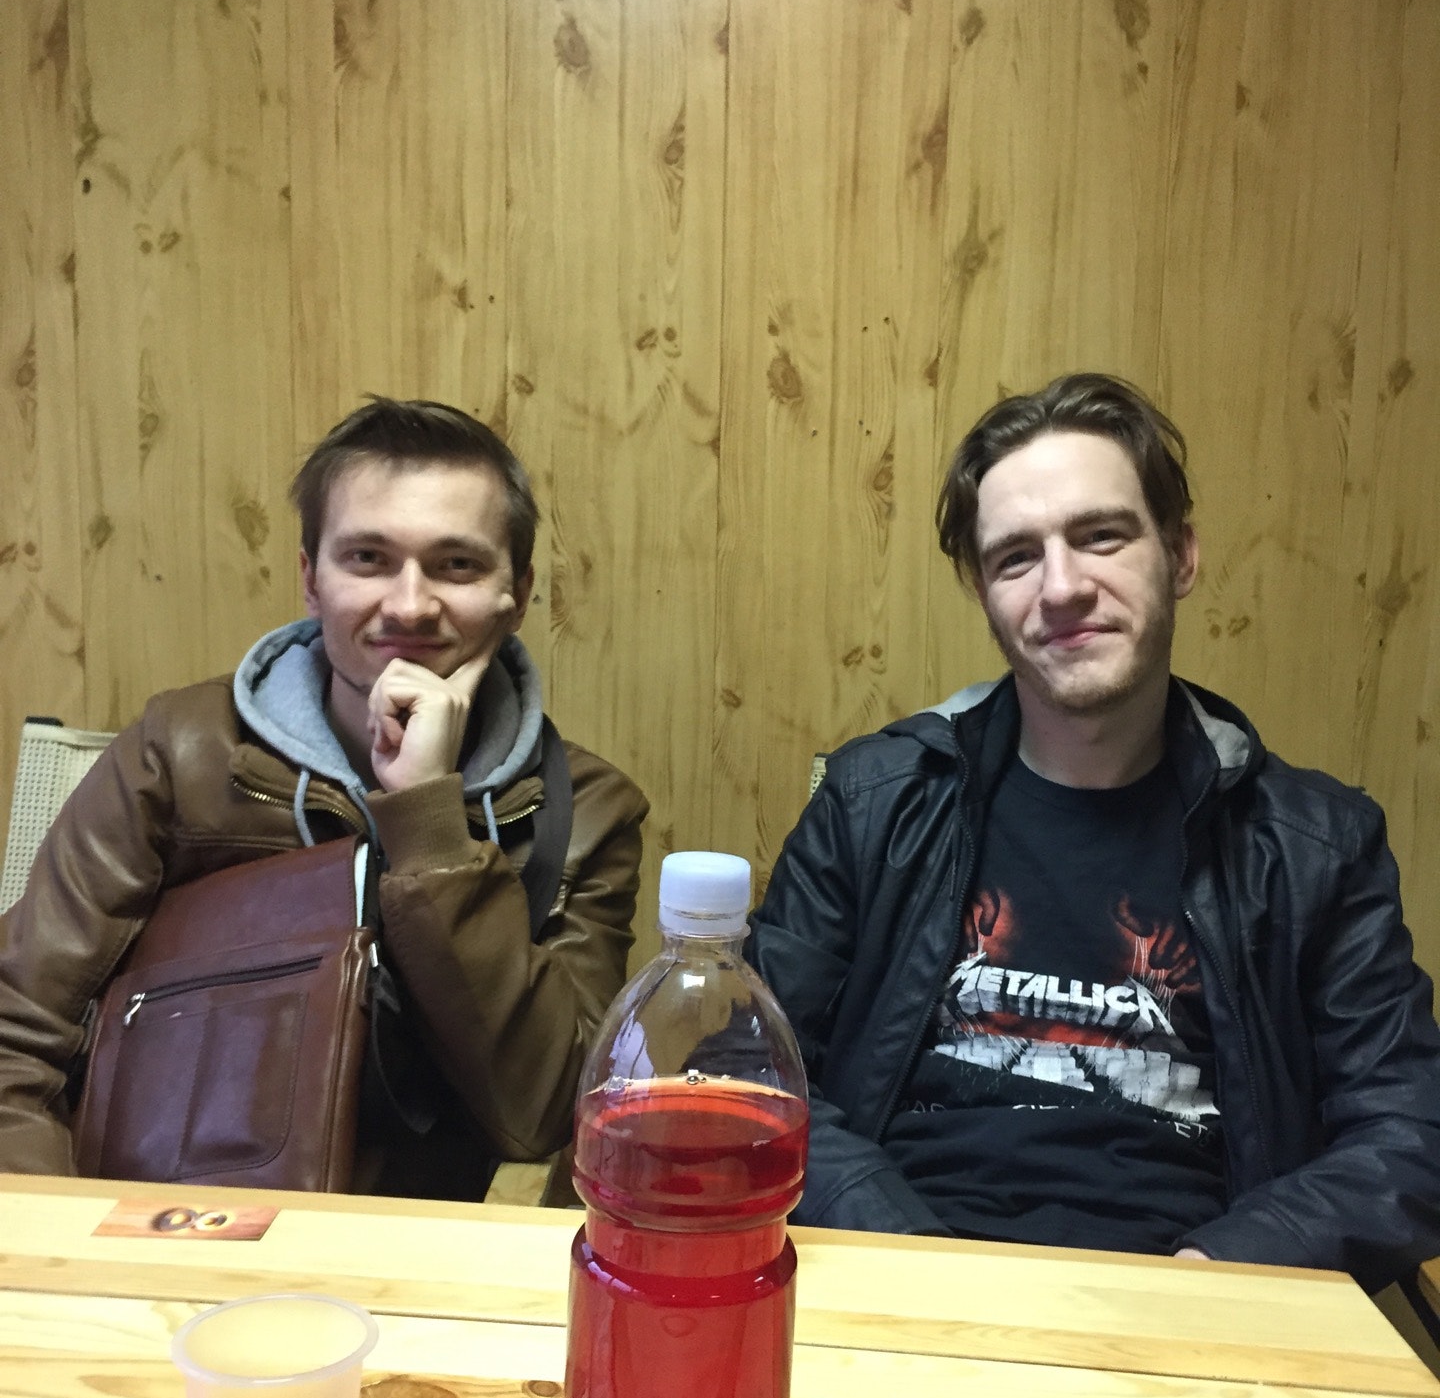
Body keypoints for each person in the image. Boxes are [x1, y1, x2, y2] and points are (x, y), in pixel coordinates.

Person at [749, 372, 1440, 1288]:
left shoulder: (1314, 847)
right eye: (1016, 558)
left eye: (1102, 536)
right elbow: (745, 1065)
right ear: (984, 593)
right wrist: (908, 1254)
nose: (1063, 587)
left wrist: (1224, 1270)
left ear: (1181, 556)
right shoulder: (872, 803)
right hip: (904, 1277)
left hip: (1196, 1304)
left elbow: (1407, 1134)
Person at [0, 398, 648, 1195]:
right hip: (161, 1216)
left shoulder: (587, 811)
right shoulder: (179, 754)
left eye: (457, 565)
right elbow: (17, 1037)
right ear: (311, 579)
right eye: (368, 558)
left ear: (517, 591)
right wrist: (66, 1239)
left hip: (420, 1238)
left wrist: (429, 821)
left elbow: (546, 1112)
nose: (409, 605)